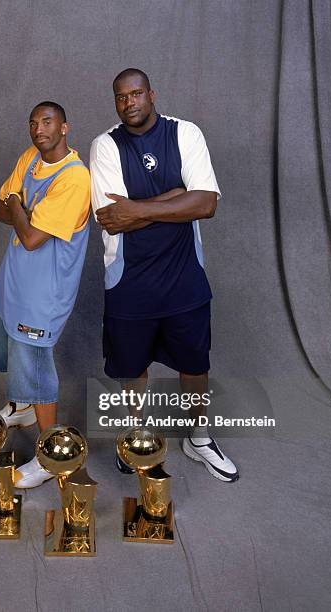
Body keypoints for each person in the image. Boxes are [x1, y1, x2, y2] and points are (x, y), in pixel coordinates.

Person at [90, 69, 239, 482]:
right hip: (127, 279)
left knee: (194, 363)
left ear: (151, 95)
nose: (129, 102)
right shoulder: (105, 145)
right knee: (131, 367)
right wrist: (175, 197)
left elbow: (206, 204)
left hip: (184, 275)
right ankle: (136, 435)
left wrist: (138, 208)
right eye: (121, 97)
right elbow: (111, 219)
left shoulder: (185, 134)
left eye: (136, 93)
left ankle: (199, 436)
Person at [0, 101, 91, 488]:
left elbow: (30, 238)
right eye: (33, 123)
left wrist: (16, 201)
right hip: (14, 278)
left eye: (47, 122)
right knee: (12, 344)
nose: (38, 129)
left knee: (36, 362)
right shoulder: (31, 156)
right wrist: (18, 208)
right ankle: (22, 406)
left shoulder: (75, 178)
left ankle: (49, 457)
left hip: (42, 289)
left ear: (65, 127)